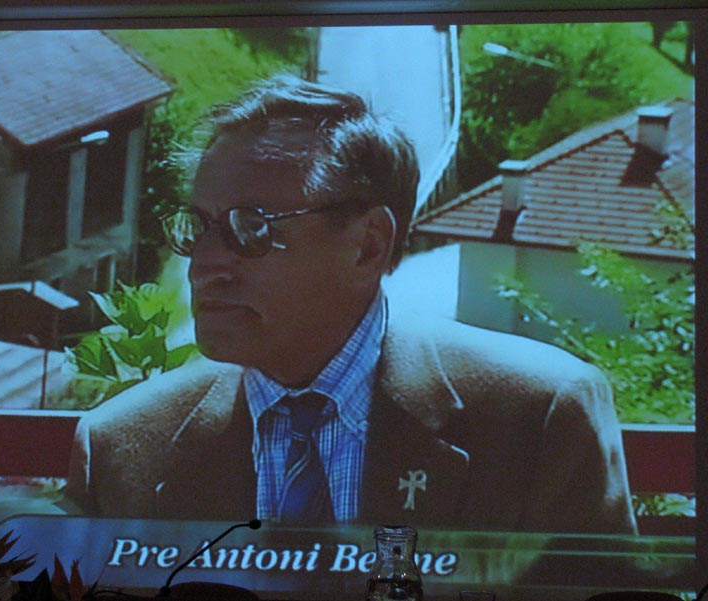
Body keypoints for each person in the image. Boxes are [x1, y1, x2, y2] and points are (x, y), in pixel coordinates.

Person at [66, 75, 637, 534]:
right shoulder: (121, 446)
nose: (205, 264)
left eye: (252, 228)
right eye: (200, 227)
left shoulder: (541, 420)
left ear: (369, 245)